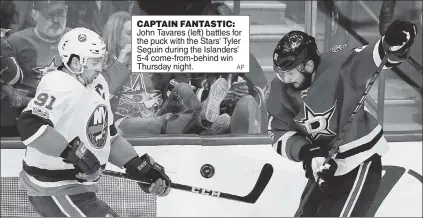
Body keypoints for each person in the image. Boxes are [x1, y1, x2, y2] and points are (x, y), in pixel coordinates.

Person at [266, 20, 417, 217]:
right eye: (280, 73)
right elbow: (279, 133)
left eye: (289, 73)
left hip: (359, 161)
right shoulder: (280, 90)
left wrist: (391, 43)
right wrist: (306, 152)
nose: (284, 80)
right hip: (325, 168)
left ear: (308, 66)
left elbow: (371, 58)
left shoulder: (338, 65)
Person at [17, 27, 171, 217]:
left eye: (102, 60)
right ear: (75, 63)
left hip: (81, 189)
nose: (100, 67)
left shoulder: (99, 84)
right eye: (95, 61)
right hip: (52, 188)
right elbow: (31, 126)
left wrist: (137, 166)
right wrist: (75, 155)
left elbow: (108, 136)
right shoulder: (57, 84)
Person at [103, 11, 231, 135]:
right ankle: (203, 125)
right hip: (122, 122)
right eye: (130, 34)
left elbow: (171, 85)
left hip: (155, 114)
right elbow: (104, 91)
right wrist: (120, 63)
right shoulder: (102, 62)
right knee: (165, 121)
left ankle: (203, 120)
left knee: (183, 88)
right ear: (115, 37)